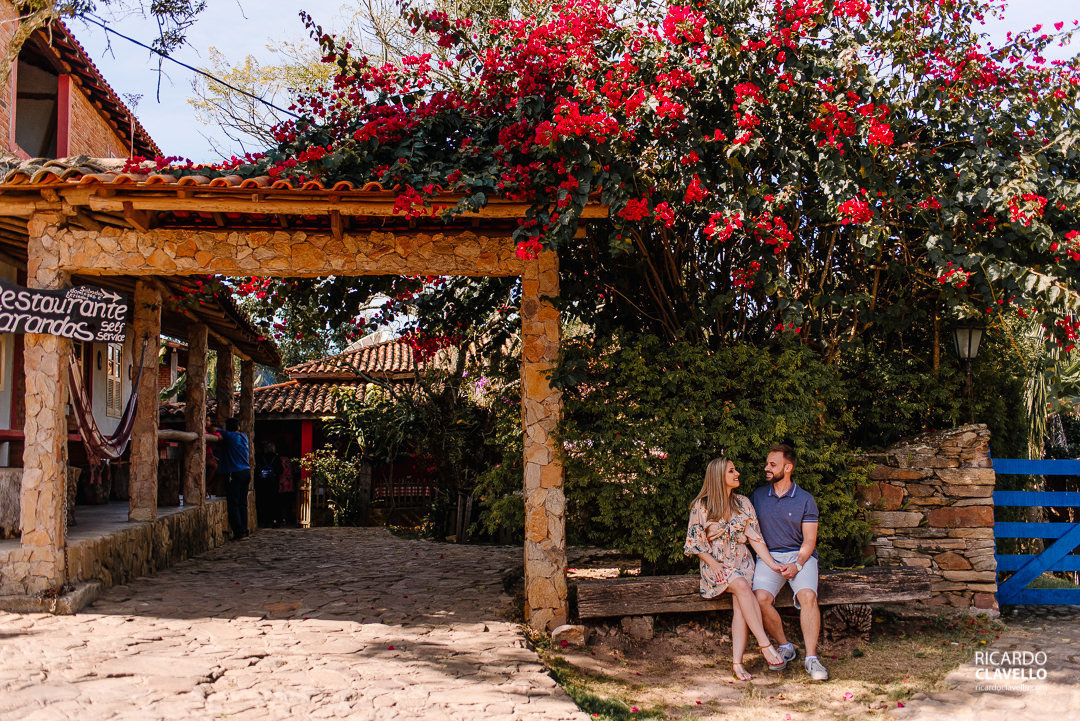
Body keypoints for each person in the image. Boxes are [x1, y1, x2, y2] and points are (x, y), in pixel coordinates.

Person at [684, 457, 787, 681]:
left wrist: (771, 564)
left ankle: (737, 663)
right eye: (731, 471)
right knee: (741, 586)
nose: (737, 473)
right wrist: (713, 563)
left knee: (742, 603)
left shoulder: (743, 503)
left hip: (743, 562)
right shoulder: (702, 506)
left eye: (735, 470)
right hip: (717, 565)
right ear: (719, 477)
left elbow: (755, 538)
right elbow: (695, 543)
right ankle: (765, 644)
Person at [750, 443, 829, 681]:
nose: (766, 468)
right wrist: (772, 562)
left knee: (808, 597)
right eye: (767, 463)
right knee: (759, 599)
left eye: (772, 465)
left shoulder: (805, 499)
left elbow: (809, 541)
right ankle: (786, 647)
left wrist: (798, 564)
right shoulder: (757, 496)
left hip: (799, 556)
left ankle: (812, 659)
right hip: (769, 557)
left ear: (788, 467)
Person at [217, 417, 251, 540]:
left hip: (235, 472)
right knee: (243, 503)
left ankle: (239, 532)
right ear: (238, 427)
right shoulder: (244, 437)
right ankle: (245, 529)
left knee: (234, 503)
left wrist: (218, 428)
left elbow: (216, 430)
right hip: (246, 471)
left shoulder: (229, 436)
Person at [254, 441, 282, 527]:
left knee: (264, 502)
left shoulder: (261, 457)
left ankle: (265, 521)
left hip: (263, 484)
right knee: (274, 502)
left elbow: (257, 470)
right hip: (273, 484)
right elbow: (280, 470)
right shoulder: (276, 458)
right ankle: (275, 520)